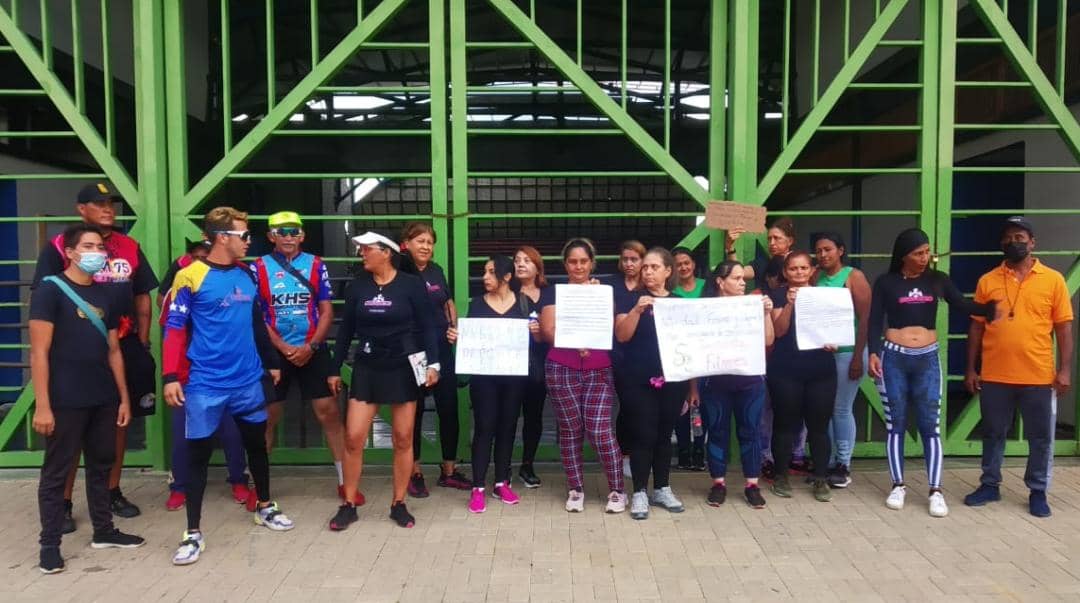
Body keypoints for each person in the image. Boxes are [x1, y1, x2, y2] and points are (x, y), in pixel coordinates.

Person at [163, 207, 293, 566]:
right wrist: (171, 376)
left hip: (247, 380)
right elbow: (174, 329)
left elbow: (256, 321)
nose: (249, 241)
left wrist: (270, 363)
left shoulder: (247, 274)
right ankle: (193, 532)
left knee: (257, 446)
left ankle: (265, 506)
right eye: (244, 235)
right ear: (223, 237)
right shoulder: (189, 276)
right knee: (198, 458)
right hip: (205, 384)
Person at [32, 182, 158, 529]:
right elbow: (45, 297)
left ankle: (111, 491)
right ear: (81, 209)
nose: (108, 209)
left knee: (116, 421)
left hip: (122, 343)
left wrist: (143, 341)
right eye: (98, 203)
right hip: (72, 348)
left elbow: (143, 293)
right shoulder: (60, 247)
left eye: (111, 204)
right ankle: (64, 500)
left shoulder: (128, 246)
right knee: (69, 429)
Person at [867, 228, 999, 518]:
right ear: (904, 255)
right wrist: (873, 352)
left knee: (931, 425)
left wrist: (991, 308)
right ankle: (898, 485)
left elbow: (963, 304)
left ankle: (935, 490)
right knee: (896, 423)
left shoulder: (937, 280)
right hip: (894, 358)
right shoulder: (886, 282)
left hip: (927, 358)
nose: (924, 257)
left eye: (926, 251)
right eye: (918, 253)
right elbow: (875, 318)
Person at [328, 231, 440, 531]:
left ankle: (399, 503)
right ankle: (348, 504)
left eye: (367, 249)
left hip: (403, 366)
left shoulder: (412, 285)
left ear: (386, 253)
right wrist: (334, 367)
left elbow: (429, 326)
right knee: (353, 437)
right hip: (367, 366)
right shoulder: (357, 287)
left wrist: (435, 363)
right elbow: (345, 330)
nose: (362, 253)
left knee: (403, 438)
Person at [963, 217, 1073, 518]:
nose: (1015, 242)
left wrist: (1064, 370)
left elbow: (1063, 329)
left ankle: (1038, 491)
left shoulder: (1053, 280)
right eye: (1009, 238)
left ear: (1032, 242)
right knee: (993, 433)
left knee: (1040, 437)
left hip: (1038, 376)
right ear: (1002, 244)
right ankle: (990, 484)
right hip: (995, 375)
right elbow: (976, 329)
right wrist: (971, 369)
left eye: (1020, 237)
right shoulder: (987, 281)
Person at [252, 211, 363, 507]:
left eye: (294, 231)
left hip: (312, 349)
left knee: (329, 413)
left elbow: (326, 310)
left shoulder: (315, 264)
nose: (288, 237)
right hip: (276, 352)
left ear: (302, 235)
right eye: (282, 231)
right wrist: (282, 347)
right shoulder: (258, 267)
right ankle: (260, 488)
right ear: (270, 235)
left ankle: (344, 481)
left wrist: (311, 346)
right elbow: (257, 314)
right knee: (268, 418)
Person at [158, 240, 249, 511]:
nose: (201, 262)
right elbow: (171, 333)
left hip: (231, 373)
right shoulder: (182, 287)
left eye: (205, 257)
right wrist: (171, 376)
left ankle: (239, 480)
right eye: (195, 257)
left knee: (234, 433)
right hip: (190, 377)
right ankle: (179, 486)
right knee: (184, 435)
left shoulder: (238, 278)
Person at [538, 238, 627, 513]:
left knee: (600, 430)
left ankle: (617, 489)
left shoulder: (603, 291)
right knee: (570, 430)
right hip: (561, 366)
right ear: (566, 264)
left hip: (598, 367)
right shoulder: (554, 293)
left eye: (583, 261)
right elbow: (548, 330)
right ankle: (575, 488)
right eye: (573, 261)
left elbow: (609, 326)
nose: (578, 266)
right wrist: (572, 341)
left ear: (592, 264)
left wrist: (595, 297)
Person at [448, 256, 537, 512]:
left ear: (507, 276)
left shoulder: (524, 303)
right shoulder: (477, 305)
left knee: (508, 427)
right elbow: (469, 338)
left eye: (491, 272)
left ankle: (501, 482)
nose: (485, 277)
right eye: (484, 272)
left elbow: (537, 337)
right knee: (485, 428)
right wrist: (457, 336)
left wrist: (536, 330)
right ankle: (478, 487)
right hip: (484, 379)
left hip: (514, 378)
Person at [614, 247, 690, 520]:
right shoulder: (629, 300)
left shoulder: (680, 303)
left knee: (663, 435)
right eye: (645, 267)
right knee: (642, 436)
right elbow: (622, 336)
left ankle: (662, 487)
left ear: (668, 271)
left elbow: (691, 347)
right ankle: (639, 493)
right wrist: (636, 310)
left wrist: (691, 388)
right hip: (637, 380)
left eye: (654, 267)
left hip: (672, 381)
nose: (647, 271)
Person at [693, 260, 773, 509]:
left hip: (749, 382)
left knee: (751, 431)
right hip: (715, 383)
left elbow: (769, 339)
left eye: (743, 279)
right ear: (720, 281)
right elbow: (693, 350)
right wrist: (693, 388)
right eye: (736, 278)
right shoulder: (704, 310)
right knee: (717, 432)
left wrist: (767, 313)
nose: (742, 283)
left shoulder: (753, 306)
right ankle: (718, 483)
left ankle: (751, 484)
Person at [400, 222, 470, 497]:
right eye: (420, 241)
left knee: (449, 409)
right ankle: (414, 472)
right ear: (406, 243)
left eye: (430, 242)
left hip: (441, 349)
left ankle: (449, 471)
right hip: (414, 352)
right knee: (414, 412)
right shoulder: (400, 269)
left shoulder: (436, 270)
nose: (426, 247)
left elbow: (447, 302)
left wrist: (453, 327)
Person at [767, 251, 837, 502]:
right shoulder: (776, 295)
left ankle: (820, 478)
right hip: (786, 370)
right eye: (793, 269)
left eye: (803, 268)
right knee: (785, 425)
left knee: (819, 427)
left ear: (811, 271)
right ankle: (781, 476)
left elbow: (834, 328)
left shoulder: (825, 296)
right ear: (785, 272)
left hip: (821, 370)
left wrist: (835, 341)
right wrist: (790, 304)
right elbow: (779, 331)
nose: (798, 273)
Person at [812, 232, 871, 489]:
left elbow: (866, 318)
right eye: (819, 251)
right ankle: (829, 461)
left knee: (841, 409)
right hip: (824, 354)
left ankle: (843, 463)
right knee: (826, 410)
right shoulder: (816, 277)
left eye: (828, 249)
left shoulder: (853, 277)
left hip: (848, 352)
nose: (823, 255)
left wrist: (858, 356)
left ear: (841, 250)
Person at [513, 245, 550, 487]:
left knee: (534, 417)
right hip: (511, 364)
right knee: (506, 416)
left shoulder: (552, 294)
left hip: (541, 364)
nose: (521, 264)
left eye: (527, 260)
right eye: (517, 260)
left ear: (538, 266)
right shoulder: (506, 293)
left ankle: (527, 464)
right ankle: (502, 465)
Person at [670, 247, 707, 471]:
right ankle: (683, 450)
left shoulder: (707, 287)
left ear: (693, 264)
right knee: (680, 406)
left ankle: (699, 450)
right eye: (677, 264)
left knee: (700, 405)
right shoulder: (670, 291)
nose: (683, 267)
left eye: (686, 263)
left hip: (703, 353)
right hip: (678, 353)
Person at [611, 240, 645, 478]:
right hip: (617, 354)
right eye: (626, 259)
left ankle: (641, 453)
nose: (629, 263)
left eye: (634, 259)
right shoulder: (610, 285)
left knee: (643, 408)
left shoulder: (649, 287)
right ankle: (624, 454)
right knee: (626, 406)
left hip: (644, 356)